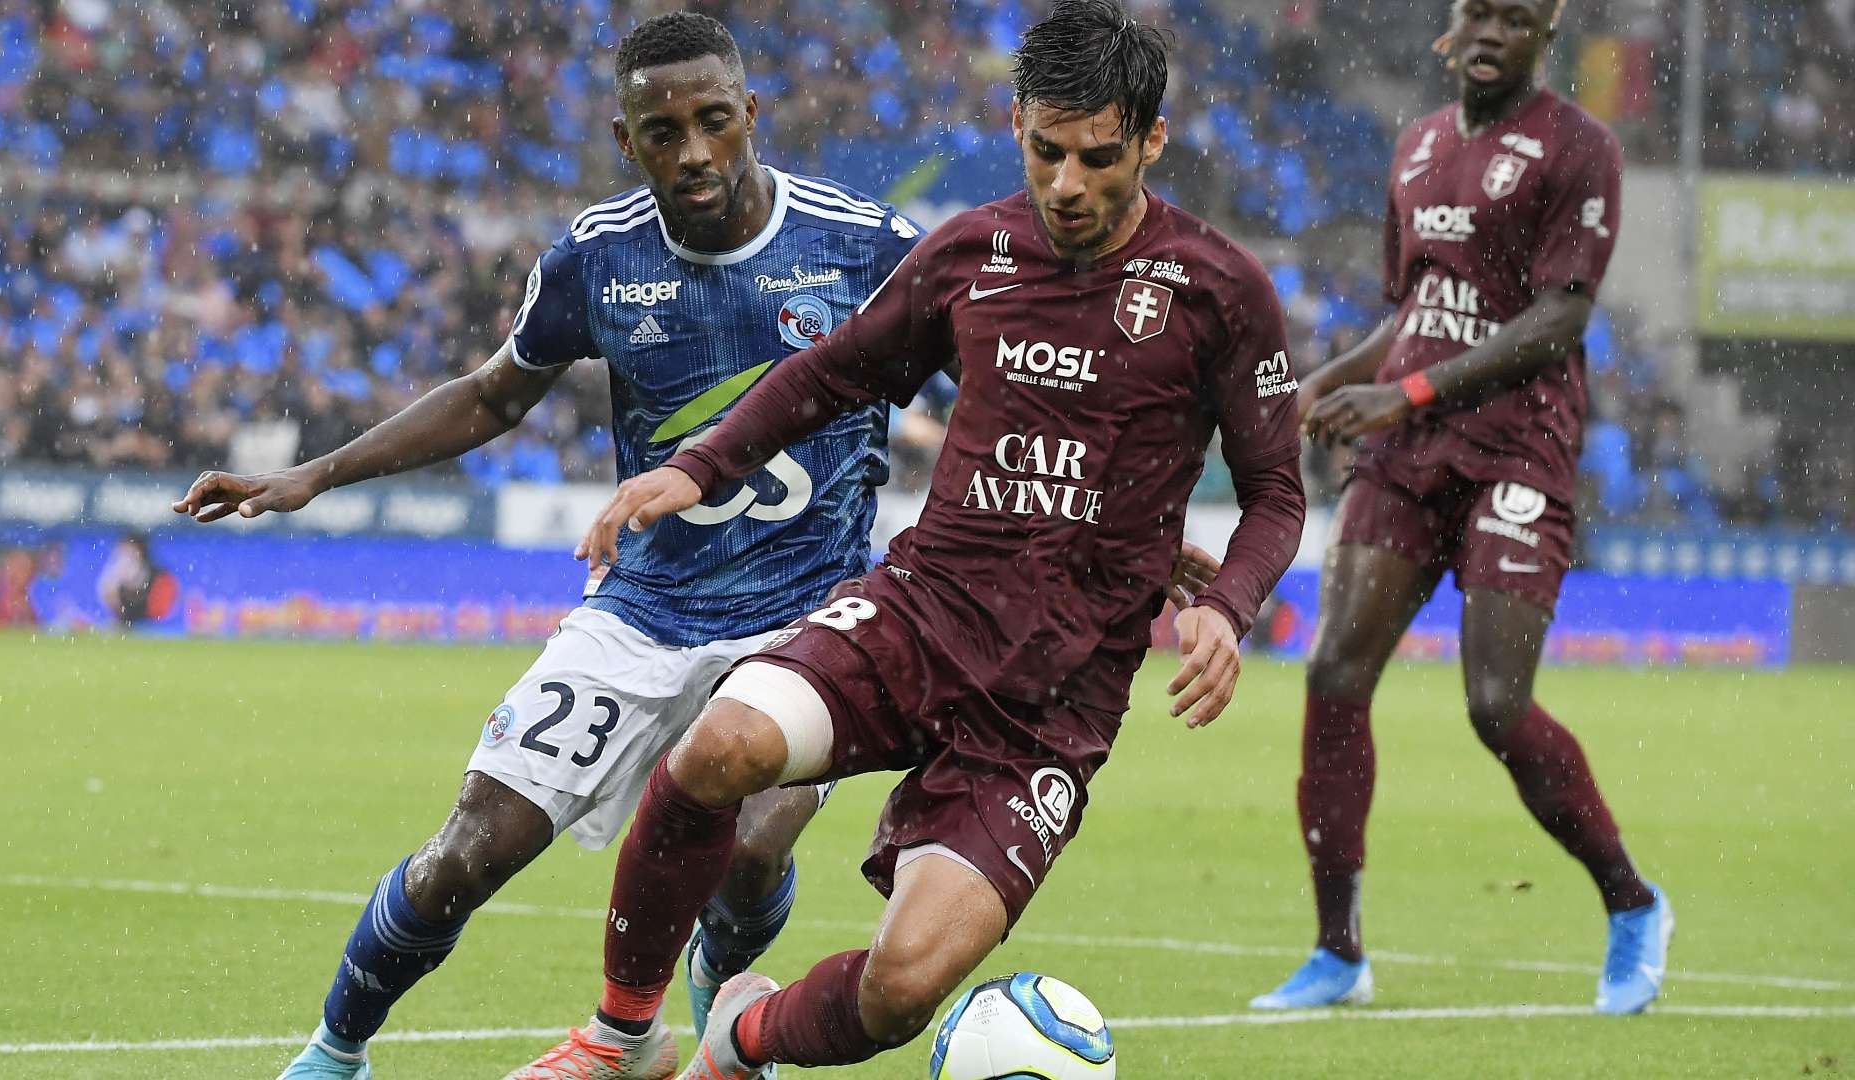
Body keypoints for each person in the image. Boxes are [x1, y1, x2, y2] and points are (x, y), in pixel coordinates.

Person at [550, 3, 1305, 1075]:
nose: (1066, 184)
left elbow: (1276, 491)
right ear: (1016, 126)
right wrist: (698, 465)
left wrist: (1228, 605)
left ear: (1152, 139)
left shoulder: (1221, 289)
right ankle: (622, 1034)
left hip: (1053, 699)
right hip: (920, 615)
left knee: (900, 989)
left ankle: (738, 1038)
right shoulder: (969, 251)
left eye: (1097, 158)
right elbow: (834, 371)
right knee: (717, 750)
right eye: (1046, 151)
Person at [173, 14, 929, 1079]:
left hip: (804, 618)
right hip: (643, 611)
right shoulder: (598, 257)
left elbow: (984, 386)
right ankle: (334, 1053)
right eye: (662, 132)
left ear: (752, 113)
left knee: (751, 846)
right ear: (627, 140)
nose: (694, 152)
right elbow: (494, 397)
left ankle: (711, 1004)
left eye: (714, 121)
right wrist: (317, 473)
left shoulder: (870, 248)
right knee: (464, 855)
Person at [1249, 0, 1672, 1016]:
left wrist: (1406, 393)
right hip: (1411, 448)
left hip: (1519, 444)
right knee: (1335, 671)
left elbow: (1559, 318)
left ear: (1545, 36)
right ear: (1452, 22)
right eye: (1477, 11)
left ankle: (1633, 902)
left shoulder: (1581, 149)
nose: (1489, 32)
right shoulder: (1419, 145)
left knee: (1494, 703)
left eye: (1513, 19)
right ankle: (1338, 953)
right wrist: (1322, 383)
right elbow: (1415, 316)